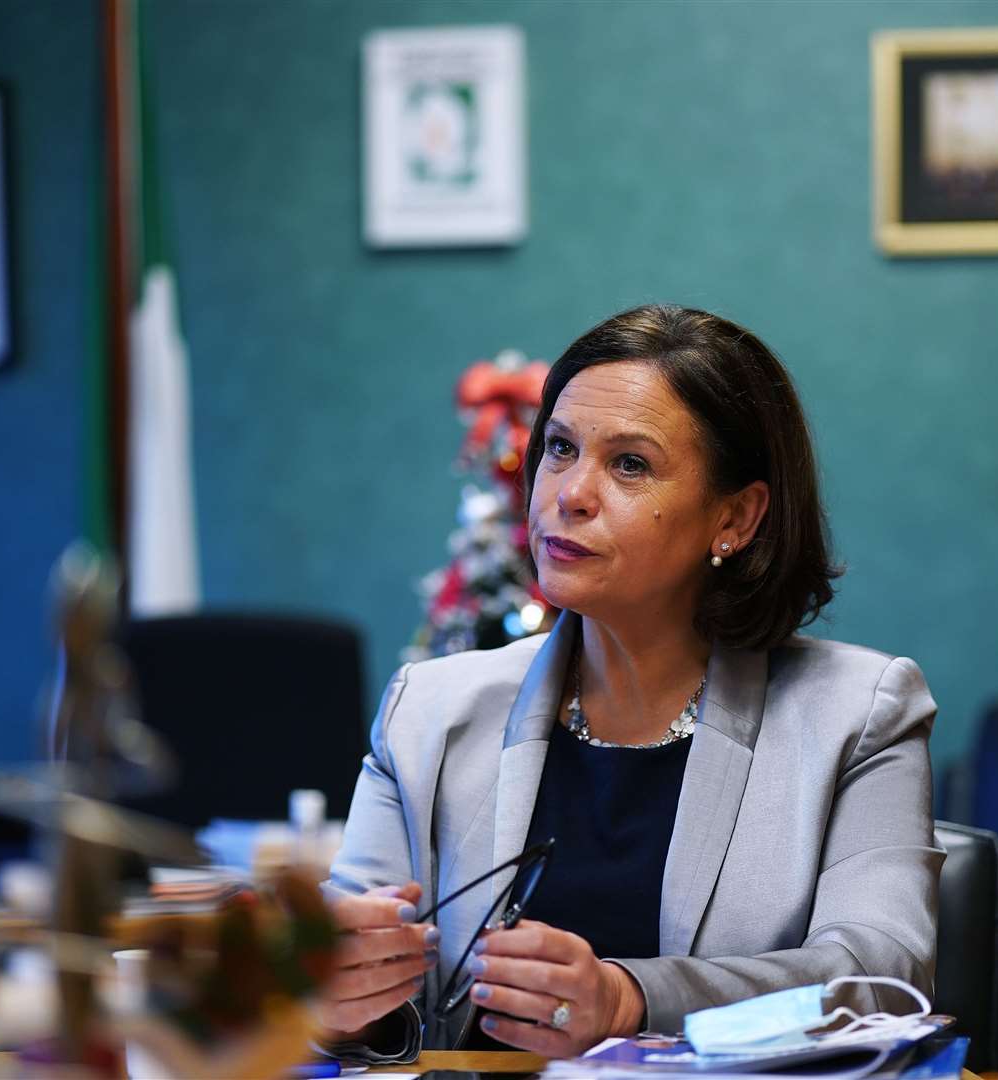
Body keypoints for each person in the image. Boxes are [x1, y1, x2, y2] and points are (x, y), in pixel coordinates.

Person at [317, 305, 941, 1060]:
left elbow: (878, 978)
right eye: (559, 448)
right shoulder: (430, 712)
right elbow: (368, 1010)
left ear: (736, 518)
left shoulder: (856, 714)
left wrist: (631, 998)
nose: (568, 494)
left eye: (629, 464)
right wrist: (345, 1000)